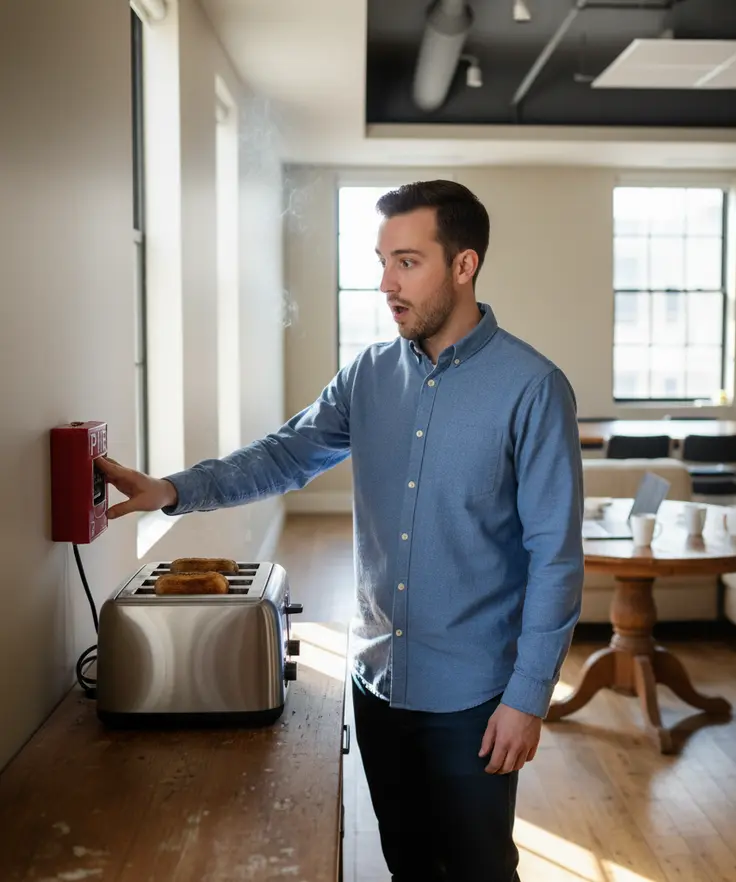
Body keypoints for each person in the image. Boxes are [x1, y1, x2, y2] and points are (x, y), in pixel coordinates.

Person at [97, 180, 584, 882]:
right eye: (382, 262)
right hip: (377, 682)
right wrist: (173, 490)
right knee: (406, 863)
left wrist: (526, 698)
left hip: (475, 699)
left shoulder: (532, 388)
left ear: (464, 265)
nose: (386, 284)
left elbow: (555, 559)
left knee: (479, 869)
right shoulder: (368, 375)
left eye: (407, 262)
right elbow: (284, 455)